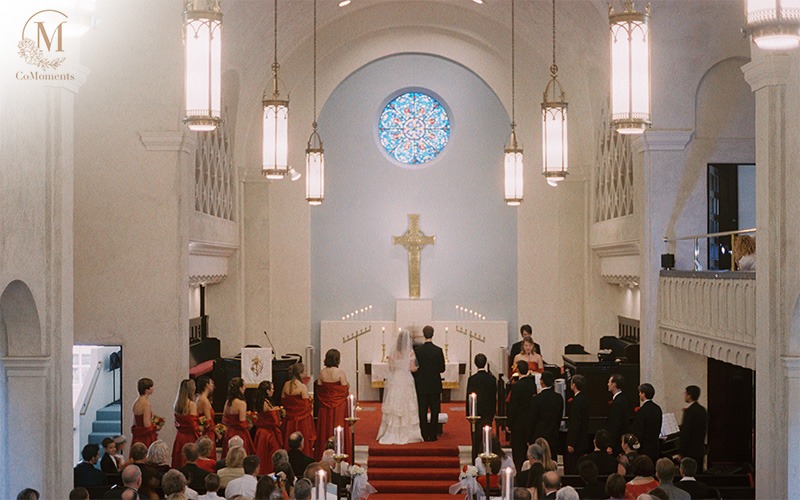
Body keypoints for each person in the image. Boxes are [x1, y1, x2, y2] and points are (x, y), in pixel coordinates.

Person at [377, 329, 424, 444]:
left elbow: (391, 368)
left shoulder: (393, 352)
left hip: (396, 378)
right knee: (407, 403)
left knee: (394, 402)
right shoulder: (410, 352)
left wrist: (398, 367)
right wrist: (415, 368)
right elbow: (413, 368)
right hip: (406, 379)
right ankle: (408, 432)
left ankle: (391, 430)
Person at [413, 325, 446, 442]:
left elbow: (415, 368)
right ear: (433, 334)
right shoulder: (438, 350)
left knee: (422, 410)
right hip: (434, 384)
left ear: (423, 334)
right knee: (435, 410)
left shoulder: (418, 351)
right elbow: (442, 369)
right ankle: (433, 435)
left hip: (421, 384)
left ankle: (423, 434)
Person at [315, 349, 350, 458]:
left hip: (324, 407)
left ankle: (323, 456)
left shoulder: (322, 372)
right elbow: (344, 390)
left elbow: (319, 390)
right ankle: (340, 455)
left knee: (324, 430)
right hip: (338, 406)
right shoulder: (340, 372)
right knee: (338, 428)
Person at [466, 352, 497, 461]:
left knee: (476, 438)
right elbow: (494, 397)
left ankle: (475, 459)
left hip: (476, 412)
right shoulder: (492, 379)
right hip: (488, 412)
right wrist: (493, 412)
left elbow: (469, 397)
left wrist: (468, 413)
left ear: (475, 364)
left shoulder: (472, 379)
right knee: (486, 437)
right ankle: (486, 457)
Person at [508, 360, 537, 471]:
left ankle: (520, 471)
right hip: (529, 420)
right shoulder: (532, 385)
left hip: (518, 422)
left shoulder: (517, 386)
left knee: (518, 449)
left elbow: (513, 406)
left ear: (518, 371)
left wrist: (509, 423)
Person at [282, 363, 316, 456]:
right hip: (302, 420)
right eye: (304, 371)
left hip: (289, 420)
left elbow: (283, 401)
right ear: (300, 374)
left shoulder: (286, 384)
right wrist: (310, 401)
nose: (306, 373)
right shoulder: (302, 386)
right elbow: (305, 406)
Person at [528, 371, 564, 460]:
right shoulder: (558, 398)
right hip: (553, 436)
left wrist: (528, 437)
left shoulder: (536, 399)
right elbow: (559, 417)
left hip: (539, 437)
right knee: (552, 460)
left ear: (541, 382)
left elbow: (532, 419)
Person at [253, 380, 284, 474]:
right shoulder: (265, 402)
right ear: (267, 391)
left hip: (261, 432)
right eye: (272, 389)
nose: (273, 391)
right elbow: (274, 420)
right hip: (268, 434)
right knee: (270, 455)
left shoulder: (261, 401)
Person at [222, 377, 255, 457]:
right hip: (240, 434)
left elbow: (224, 419)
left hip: (229, 432)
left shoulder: (227, 402)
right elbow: (242, 423)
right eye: (244, 386)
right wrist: (250, 423)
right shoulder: (241, 403)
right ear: (240, 388)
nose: (245, 388)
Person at [172, 378, 201, 468]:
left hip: (180, 437)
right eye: (194, 386)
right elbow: (193, 425)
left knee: (179, 461)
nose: (195, 388)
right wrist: (201, 427)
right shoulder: (191, 404)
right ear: (191, 389)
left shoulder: (177, 404)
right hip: (190, 437)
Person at [678, 385, 707, 472]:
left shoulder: (689, 411)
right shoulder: (703, 410)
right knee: (698, 473)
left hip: (689, 452)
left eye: (685, 394)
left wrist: (681, 452)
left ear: (689, 396)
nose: (685, 395)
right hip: (699, 449)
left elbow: (686, 433)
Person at [632, 383, 662, 464]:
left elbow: (639, 431)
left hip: (645, 448)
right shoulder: (657, 409)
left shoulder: (642, 411)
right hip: (655, 446)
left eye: (640, 392)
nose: (639, 394)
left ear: (643, 394)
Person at [565, 374, 589, 474]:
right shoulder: (584, 398)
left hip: (577, 442)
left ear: (574, 385)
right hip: (582, 439)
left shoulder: (577, 400)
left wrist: (571, 443)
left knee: (573, 467)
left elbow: (575, 422)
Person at [607, 374, 631, 455]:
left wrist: (611, 445)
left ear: (614, 384)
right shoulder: (623, 399)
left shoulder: (617, 403)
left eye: (609, 382)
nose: (608, 384)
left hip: (617, 444)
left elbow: (615, 424)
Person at [131, 378, 158, 450]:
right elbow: (147, 425)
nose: (153, 388)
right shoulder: (146, 404)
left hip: (137, 436)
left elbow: (135, 422)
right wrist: (156, 426)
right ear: (146, 390)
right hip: (145, 438)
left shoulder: (136, 402)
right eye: (151, 386)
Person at [195, 376, 216, 445]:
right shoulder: (204, 400)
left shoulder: (199, 397)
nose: (213, 386)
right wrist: (217, 432)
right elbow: (208, 421)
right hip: (207, 433)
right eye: (211, 383)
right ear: (207, 385)